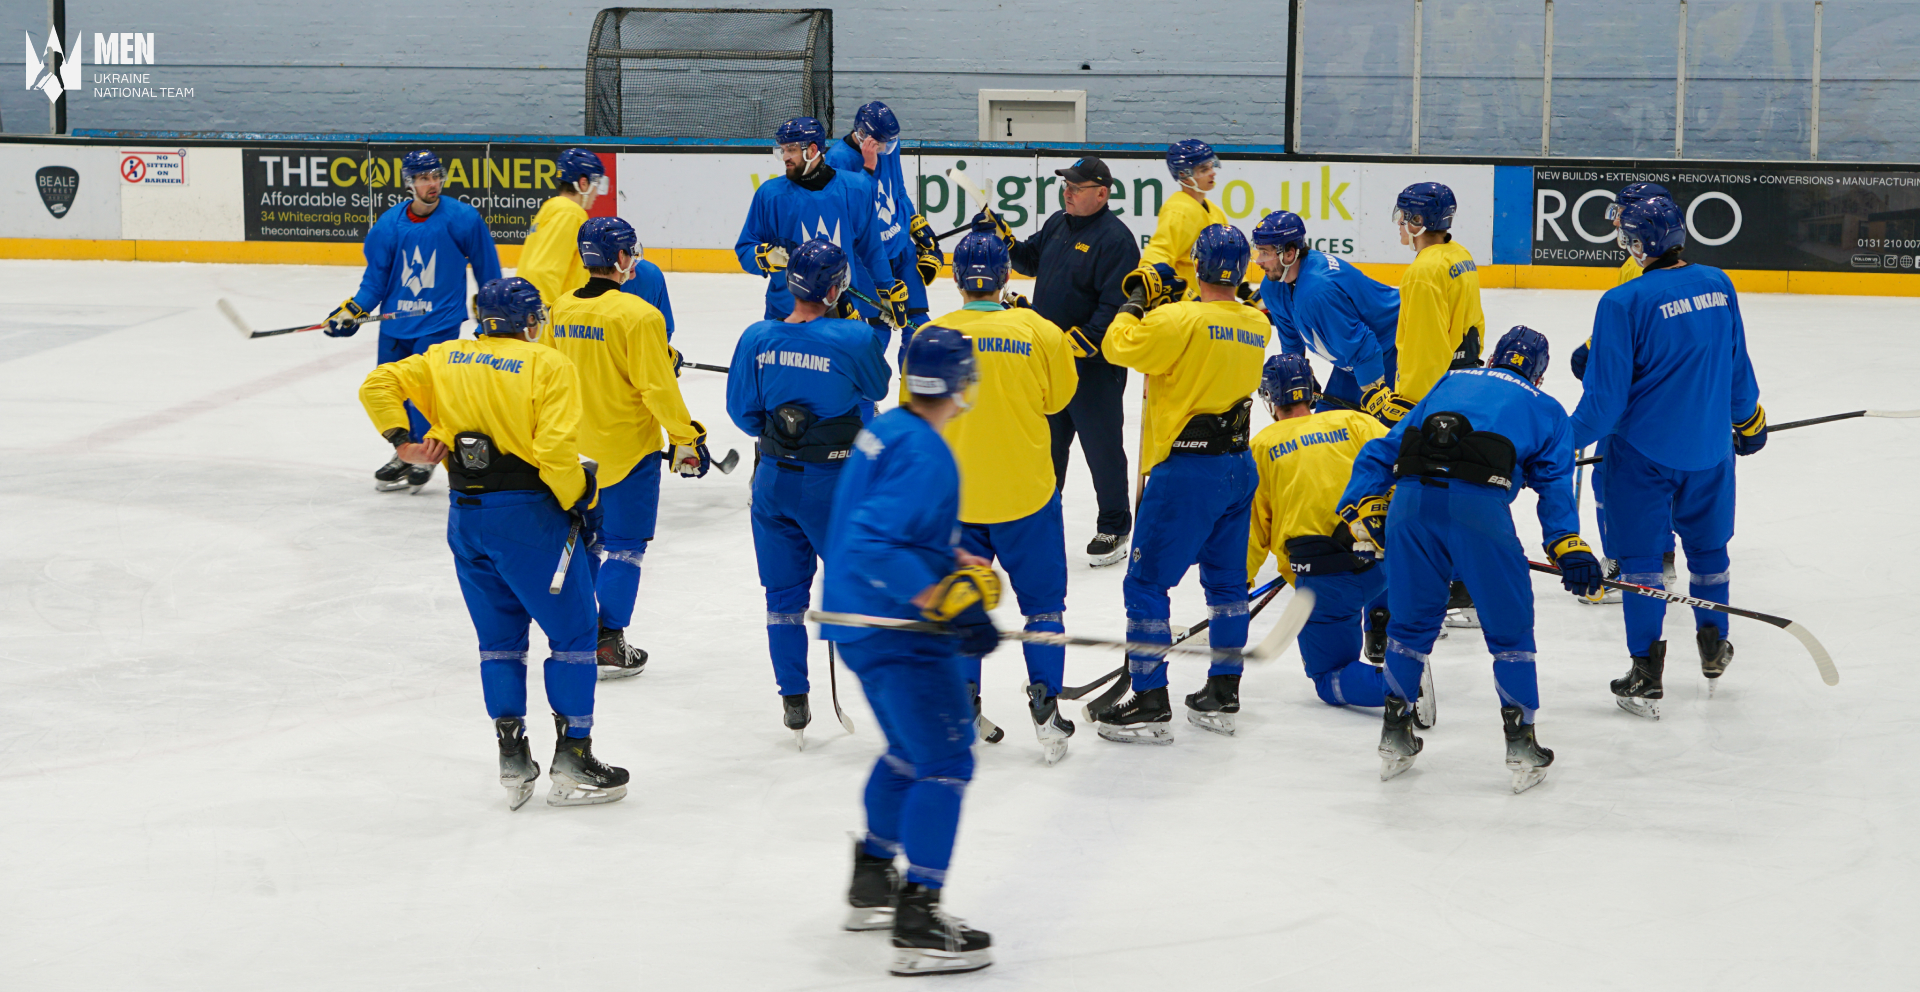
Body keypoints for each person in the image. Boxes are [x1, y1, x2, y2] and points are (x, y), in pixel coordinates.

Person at [358, 277, 627, 810]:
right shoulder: (547, 364)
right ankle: (574, 754)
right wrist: (582, 497)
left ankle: (512, 756)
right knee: (573, 635)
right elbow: (553, 452)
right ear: (529, 322)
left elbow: (377, 383)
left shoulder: (445, 356)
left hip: (466, 517)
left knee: (499, 641)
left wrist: (401, 441)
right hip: (528, 518)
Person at [1336, 326, 1603, 794]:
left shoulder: (1451, 380)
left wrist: (1360, 504)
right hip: (1477, 511)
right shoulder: (1547, 409)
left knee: (1409, 624)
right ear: (1538, 374)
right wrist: (1568, 546)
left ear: (1495, 357)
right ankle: (1521, 743)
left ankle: (1395, 735)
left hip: (1410, 508)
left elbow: (1382, 449)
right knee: (1509, 627)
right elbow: (1555, 486)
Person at [820, 325, 997, 976]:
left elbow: (879, 521)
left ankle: (873, 881)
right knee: (947, 761)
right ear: (956, 384)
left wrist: (947, 556)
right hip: (897, 631)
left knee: (905, 752)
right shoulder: (928, 453)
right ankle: (919, 916)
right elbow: (873, 545)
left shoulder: (887, 430)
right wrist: (943, 598)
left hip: (859, 625)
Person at [1571, 196, 1765, 719]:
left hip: (1642, 456)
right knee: (1708, 552)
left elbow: (1604, 405)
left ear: (1636, 244)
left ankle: (1646, 671)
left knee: (1639, 562)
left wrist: (1558, 442)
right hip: (1710, 450)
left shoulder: (1621, 302)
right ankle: (1713, 644)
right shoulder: (1719, 283)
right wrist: (1748, 420)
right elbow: (1737, 367)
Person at [906, 228, 1079, 762]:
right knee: (1045, 606)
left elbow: (911, 413)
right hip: (1025, 494)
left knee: (960, 604)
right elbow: (1059, 400)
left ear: (955, 279)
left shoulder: (930, 335)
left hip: (954, 502)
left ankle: (962, 703)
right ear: (1007, 275)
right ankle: (1047, 708)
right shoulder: (1036, 329)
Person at [1092, 224, 1267, 743]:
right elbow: (1216, 324)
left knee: (1146, 584)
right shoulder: (1256, 323)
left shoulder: (1177, 318)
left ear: (1198, 264)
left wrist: (1137, 301)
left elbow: (1116, 347)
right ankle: (1224, 690)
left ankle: (1149, 698)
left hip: (1185, 471)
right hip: (1237, 466)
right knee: (1228, 586)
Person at [725, 239, 890, 745]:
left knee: (782, 598)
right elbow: (878, 388)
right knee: (860, 588)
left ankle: (793, 700)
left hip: (774, 479)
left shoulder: (757, 337)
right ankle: (891, 699)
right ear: (838, 287)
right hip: (833, 484)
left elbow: (742, 413)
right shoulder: (853, 338)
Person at [541, 216, 711, 681]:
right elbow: (657, 390)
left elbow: (550, 376)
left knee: (588, 545)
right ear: (620, 258)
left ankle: (579, 635)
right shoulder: (639, 315)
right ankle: (609, 643)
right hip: (629, 452)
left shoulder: (559, 309)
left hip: (577, 451)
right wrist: (686, 437)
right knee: (625, 549)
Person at [328, 148, 502, 494]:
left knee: (427, 397)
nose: (432, 184)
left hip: (439, 323)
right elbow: (374, 284)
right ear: (410, 183)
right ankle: (404, 452)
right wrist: (351, 312)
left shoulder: (464, 219)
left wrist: (492, 318)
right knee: (390, 392)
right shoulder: (388, 226)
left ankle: (426, 454)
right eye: (424, 178)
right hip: (395, 326)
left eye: (436, 176)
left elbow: (489, 274)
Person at [1003, 156, 1141, 565]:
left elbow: (1115, 305)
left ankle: (1115, 527)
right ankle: (1040, 519)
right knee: (1046, 448)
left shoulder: (1116, 240)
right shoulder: (1057, 224)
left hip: (1094, 370)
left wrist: (1078, 342)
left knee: (1102, 451)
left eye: (1077, 187)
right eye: (1066, 184)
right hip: (1049, 364)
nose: (1068, 191)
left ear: (1102, 193)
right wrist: (1005, 240)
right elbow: (1029, 259)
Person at [1244, 353, 1399, 714]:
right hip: (1383, 569)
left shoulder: (1262, 447)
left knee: (1330, 675)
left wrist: (1238, 582)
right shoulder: (1358, 422)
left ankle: (1399, 682)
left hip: (1326, 583)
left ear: (1271, 399)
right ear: (1312, 392)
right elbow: (1401, 474)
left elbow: (1252, 529)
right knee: (1385, 536)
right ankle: (1382, 625)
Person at [1376, 182, 1490, 629]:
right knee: (1454, 490)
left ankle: (1446, 588)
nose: (1401, 224)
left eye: (1406, 216)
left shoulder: (1423, 271)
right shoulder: (1459, 254)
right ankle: (1463, 585)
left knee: (1424, 496)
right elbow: (1473, 327)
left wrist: (1406, 404)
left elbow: (1424, 350)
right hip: (1460, 386)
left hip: (1432, 397)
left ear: (1420, 221)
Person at [1568, 181, 1680, 604]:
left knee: (1610, 478)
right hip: (1664, 396)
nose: (1613, 220)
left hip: (1631, 397)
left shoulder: (1638, 268)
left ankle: (1621, 559)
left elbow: (1629, 333)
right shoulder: (1662, 263)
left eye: (1619, 212)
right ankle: (1663, 555)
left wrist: (1594, 355)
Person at [735, 117, 902, 340]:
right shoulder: (770, 195)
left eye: (791, 150)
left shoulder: (856, 189)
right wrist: (765, 257)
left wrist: (887, 290)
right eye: (783, 150)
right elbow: (745, 249)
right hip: (786, 313)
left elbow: (871, 249)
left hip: (841, 312)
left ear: (813, 150)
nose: (785, 157)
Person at [1253, 210, 1401, 412]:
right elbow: (1290, 337)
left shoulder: (1316, 293)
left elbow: (1364, 348)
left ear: (1289, 253)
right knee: (1328, 429)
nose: (1258, 261)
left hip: (1393, 347)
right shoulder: (1273, 287)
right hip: (1354, 358)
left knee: (1378, 434)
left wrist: (1373, 393)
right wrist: (1300, 373)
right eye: (1258, 251)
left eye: (1266, 253)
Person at [825, 101, 933, 332]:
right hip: (868, 258)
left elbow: (898, 190)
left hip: (900, 244)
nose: (888, 149)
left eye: (891, 142)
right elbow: (852, 216)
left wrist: (915, 224)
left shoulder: (889, 144)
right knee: (877, 329)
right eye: (883, 143)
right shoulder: (838, 160)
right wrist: (869, 169)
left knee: (918, 325)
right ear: (862, 134)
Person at [1127, 139, 1230, 303]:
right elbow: (1160, 251)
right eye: (1204, 169)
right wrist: (1148, 277)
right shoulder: (1178, 211)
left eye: (1211, 166)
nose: (1212, 172)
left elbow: (1227, 256)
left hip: (1212, 304)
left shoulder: (1215, 212)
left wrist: (1243, 287)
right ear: (1184, 175)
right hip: (1184, 309)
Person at [516, 148, 607, 307]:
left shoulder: (551, 207)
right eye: (596, 184)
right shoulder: (570, 213)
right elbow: (544, 271)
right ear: (583, 183)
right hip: (552, 316)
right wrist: (545, 314)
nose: (597, 193)